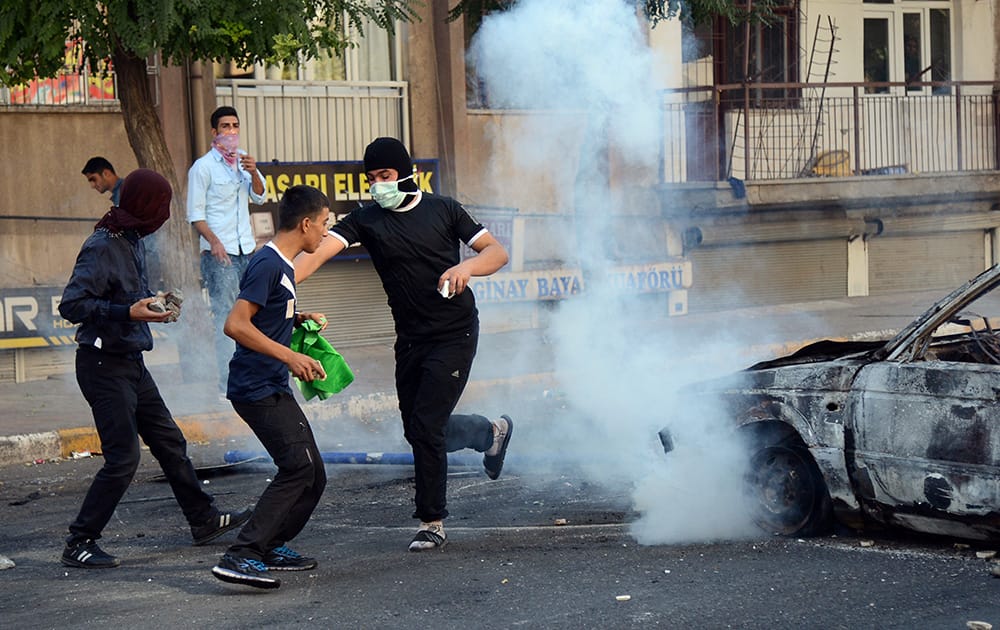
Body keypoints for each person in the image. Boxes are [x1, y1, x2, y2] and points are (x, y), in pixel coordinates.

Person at [295, 137, 514, 552]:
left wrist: (467, 265)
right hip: (410, 338)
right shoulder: (366, 220)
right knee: (418, 429)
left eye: (385, 176)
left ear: (406, 174)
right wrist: (281, 280)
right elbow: (319, 253)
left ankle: (432, 522)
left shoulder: (444, 209)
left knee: (427, 426)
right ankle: (491, 433)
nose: (378, 185)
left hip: (455, 332)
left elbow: (496, 252)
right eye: (372, 178)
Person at [58, 169, 251, 569]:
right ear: (144, 205)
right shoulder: (102, 245)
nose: (163, 216)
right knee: (123, 458)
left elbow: (126, 299)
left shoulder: (130, 241)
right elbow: (72, 305)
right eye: (160, 207)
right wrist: (127, 310)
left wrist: (153, 305)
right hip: (102, 365)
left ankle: (203, 519)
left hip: (130, 361)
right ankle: (80, 541)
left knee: (169, 442)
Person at [211, 185, 332, 589]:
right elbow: (236, 324)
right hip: (256, 387)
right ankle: (242, 553)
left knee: (314, 474)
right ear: (306, 224)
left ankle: (272, 545)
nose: (325, 233)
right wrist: (290, 357)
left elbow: (266, 314)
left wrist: (297, 318)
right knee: (297, 467)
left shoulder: (280, 265)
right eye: (324, 225)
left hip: (271, 384)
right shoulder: (268, 264)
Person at [186, 106, 267, 394]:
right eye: (225, 126)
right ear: (214, 132)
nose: (231, 131)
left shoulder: (243, 162)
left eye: (235, 125)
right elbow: (195, 215)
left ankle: (252, 378)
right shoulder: (203, 167)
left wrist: (254, 171)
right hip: (219, 255)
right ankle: (227, 384)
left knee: (253, 316)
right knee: (225, 318)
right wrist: (215, 242)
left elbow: (260, 196)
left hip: (247, 251)